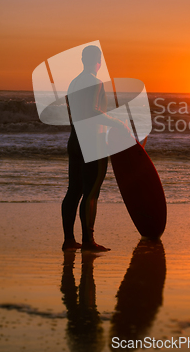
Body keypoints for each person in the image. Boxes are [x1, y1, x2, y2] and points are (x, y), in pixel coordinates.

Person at [62, 45, 129, 252]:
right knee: (91, 192)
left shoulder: (74, 82)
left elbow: (71, 109)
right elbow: (93, 111)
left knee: (74, 190)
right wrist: (119, 124)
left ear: (83, 60)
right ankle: (89, 241)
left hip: (74, 140)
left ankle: (69, 240)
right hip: (93, 141)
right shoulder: (95, 81)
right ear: (98, 61)